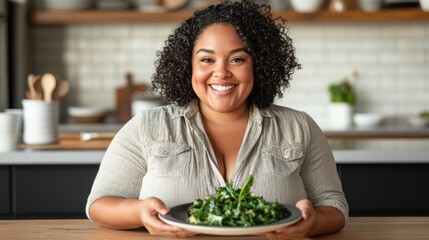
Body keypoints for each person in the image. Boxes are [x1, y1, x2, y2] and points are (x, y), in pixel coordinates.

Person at [86, 0, 348, 239]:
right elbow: (99, 204)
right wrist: (139, 211)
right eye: (207, 59)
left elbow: (333, 206)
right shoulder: (147, 127)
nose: (221, 73)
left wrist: (311, 223)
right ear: (188, 66)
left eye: (237, 59)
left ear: (258, 65)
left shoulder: (299, 127)